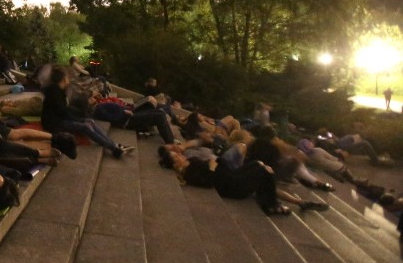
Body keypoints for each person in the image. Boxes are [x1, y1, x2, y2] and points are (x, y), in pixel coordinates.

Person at [159, 142, 328, 215]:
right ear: (175, 164)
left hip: (230, 174)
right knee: (265, 173)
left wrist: (213, 164)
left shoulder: (191, 161)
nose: (180, 156)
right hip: (232, 186)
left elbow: (212, 163)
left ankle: (278, 203)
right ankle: (274, 205)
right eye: (176, 157)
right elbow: (209, 182)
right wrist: (211, 167)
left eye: (177, 155)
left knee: (259, 165)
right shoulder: (188, 173)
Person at [41, 66, 134, 159]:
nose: (68, 79)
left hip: (61, 118)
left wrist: (81, 119)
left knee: (90, 122)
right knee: (86, 126)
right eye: (67, 77)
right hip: (54, 123)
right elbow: (62, 112)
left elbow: (65, 110)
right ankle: (114, 149)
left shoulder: (60, 90)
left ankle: (114, 144)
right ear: (63, 79)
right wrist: (79, 121)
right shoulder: (53, 91)